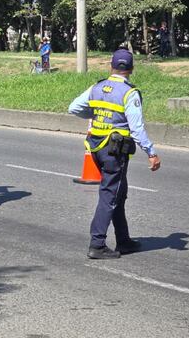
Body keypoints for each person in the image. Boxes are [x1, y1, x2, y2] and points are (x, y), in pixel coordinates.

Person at [69, 48, 162, 260]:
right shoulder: (129, 93)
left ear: (111, 66)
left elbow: (73, 107)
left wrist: (93, 113)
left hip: (97, 149)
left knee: (119, 193)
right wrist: (151, 152)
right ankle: (97, 244)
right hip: (115, 151)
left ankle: (124, 240)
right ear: (131, 69)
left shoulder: (97, 86)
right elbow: (136, 128)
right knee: (110, 196)